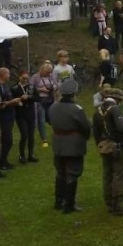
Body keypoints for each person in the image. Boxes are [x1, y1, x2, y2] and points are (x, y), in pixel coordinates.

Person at [48, 77, 92, 213]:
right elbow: (85, 127)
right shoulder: (76, 109)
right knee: (72, 173)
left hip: (58, 143)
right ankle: (69, 204)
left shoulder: (53, 107)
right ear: (74, 93)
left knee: (60, 172)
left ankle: (59, 201)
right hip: (73, 144)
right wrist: (85, 137)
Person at [92, 85, 123, 215]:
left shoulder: (98, 110)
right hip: (117, 146)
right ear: (118, 99)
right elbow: (121, 127)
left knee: (107, 174)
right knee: (119, 174)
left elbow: (95, 132)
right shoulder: (115, 109)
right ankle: (117, 204)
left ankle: (109, 201)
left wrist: (99, 145)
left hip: (104, 146)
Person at [0, 66, 28, 171]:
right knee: (6, 140)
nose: (10, 75)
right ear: (2, 75)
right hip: (2, 117)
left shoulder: (6, 86)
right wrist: (11, 102)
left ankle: (4, 160)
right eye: (8, 74)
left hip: (9, 116)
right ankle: (1, 162)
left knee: (8, 140)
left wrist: (15, 101)